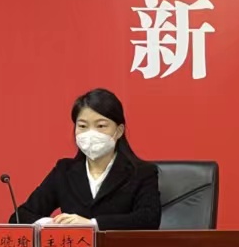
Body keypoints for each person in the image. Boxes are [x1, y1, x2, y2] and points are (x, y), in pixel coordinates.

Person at [10, 88, 162, 230]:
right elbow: (20, 216)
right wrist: (50, 224)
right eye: (83, 126)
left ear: (119, 131)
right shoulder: (64, 171)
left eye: (101, 126)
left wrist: (93, 224)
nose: (90, 134)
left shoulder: (142, 172)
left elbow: (148, 219)